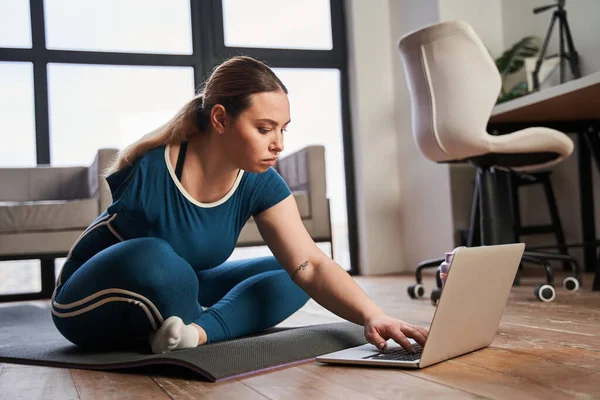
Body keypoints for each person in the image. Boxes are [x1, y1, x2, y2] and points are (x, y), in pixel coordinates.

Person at [51, 56, 428, 354]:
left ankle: (197, 334)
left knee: (294, 275)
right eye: (265, 129)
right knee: (158, 258)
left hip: (182, 293)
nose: (278, 143)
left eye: (284, 129)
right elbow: (147, 273)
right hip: (88, 302)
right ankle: (195, 324)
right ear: (220, 119)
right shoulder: (152, 168)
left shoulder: (259, 179)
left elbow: (310, 265)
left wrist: (373, 315)